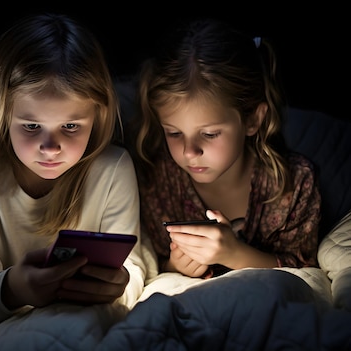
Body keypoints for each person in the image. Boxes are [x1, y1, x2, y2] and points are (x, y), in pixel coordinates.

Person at [0, 13, 156, 322]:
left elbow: (131, 268)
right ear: (3, 113)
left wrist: (118, 287)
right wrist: (14, 290)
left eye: (70, 126)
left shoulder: (112, 168)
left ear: (97, 116)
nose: (50, 147)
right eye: (31, 126)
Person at [127, 18, 321, 278]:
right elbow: (152, 264)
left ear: (252, 119)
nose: (189, 152)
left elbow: (308, 272)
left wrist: (234, 254)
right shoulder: (158, 181)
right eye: (174, 133)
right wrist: (174, 267)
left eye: (209, 134)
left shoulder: (293, 185)